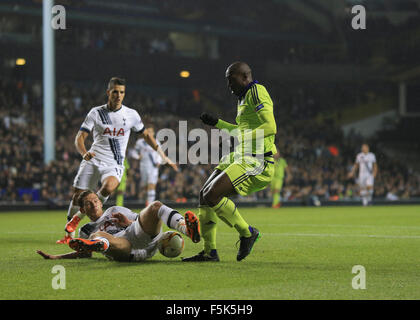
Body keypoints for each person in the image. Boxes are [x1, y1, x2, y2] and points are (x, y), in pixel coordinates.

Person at [57, 77, 178, 244]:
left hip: (114, 163)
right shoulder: (96, 112)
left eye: (122, 92)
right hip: (92, 159)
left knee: (109, 186)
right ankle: (68, 233)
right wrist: (84, 153)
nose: (118, 95)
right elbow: (80, 137)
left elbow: (147, 136)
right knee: (78, 196)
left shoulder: (131, 115)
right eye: (115, 92)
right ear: (108, 93)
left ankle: (78, 218)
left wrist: (164, 156)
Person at [182, 61, 277, 262]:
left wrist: (247, 137)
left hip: (257, 159)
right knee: (204, 195)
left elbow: (271, 127)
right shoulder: (243, 99)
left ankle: (247, 232)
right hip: (240, 155)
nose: (229, 86)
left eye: (231, 80)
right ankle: (210, 252)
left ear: (245, 77)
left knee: (213, 194)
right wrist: (217, 123)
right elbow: (240, 132)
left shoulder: (257, 92)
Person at [38, 190, 200, 262]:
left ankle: (187, 229)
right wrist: (57, 257)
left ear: (100, 203)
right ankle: (100, 244)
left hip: (140, 236)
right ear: (83, 210)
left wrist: (128, 223)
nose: (94, 205)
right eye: (89, 204)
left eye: (95, 201)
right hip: (124, 249)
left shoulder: (114, 210)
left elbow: (141, 220)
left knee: (156, 206)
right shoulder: (85, 230)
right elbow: (85, 254)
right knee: (97, 235)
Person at [132, 127, 163, 206]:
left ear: (153, 133)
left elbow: (160, 153)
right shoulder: (140, 142)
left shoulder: (156, 142)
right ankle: (148, 201)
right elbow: (133, 152)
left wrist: (159, 161)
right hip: (143, 167)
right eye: (147, 131)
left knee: (151, 185)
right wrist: (137, 156)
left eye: (151, 132)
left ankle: (149, 205)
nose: (149, 133)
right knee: (146, 187)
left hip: (153, 167)